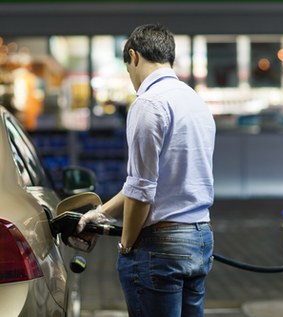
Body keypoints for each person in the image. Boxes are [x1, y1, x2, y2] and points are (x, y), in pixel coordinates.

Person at [77, 23, 216, 317]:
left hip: (159, 247)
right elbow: (153, 181)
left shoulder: (148, 103)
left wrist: (127, 244)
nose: (130, 78)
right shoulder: (195, 101)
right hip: (199, 238)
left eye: (127, 69)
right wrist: (102, 212)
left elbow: (142, 189)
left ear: (134, 56)